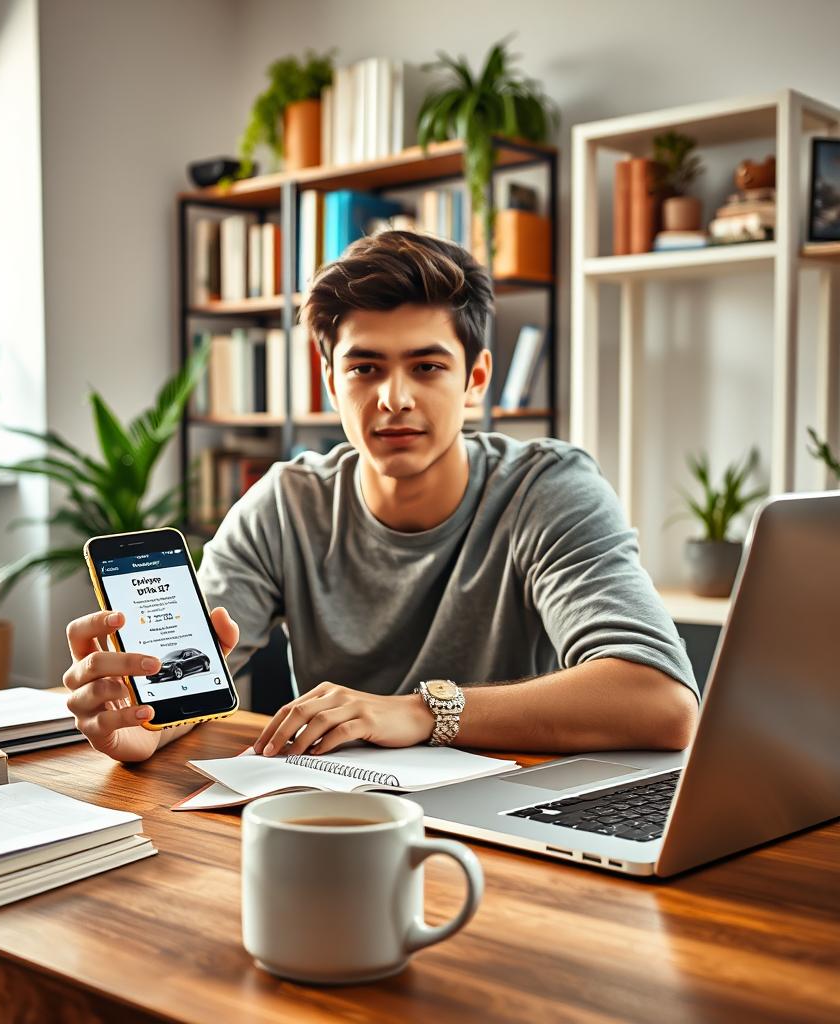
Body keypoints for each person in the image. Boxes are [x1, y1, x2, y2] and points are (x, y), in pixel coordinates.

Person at [63, 231, 699, 766]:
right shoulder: (284, 505)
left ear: (475, 379)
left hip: (513, 813)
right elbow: (194, 682)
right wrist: (138, 728)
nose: (394, 398)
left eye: (427, 366)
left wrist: (422, 712)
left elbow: (661, 702)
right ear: (331, 382)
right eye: (365, 368)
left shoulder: (549, 489)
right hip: (335, 823)